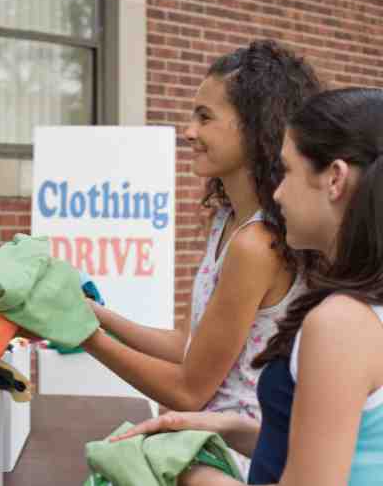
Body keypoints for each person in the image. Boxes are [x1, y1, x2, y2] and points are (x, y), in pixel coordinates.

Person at [110, 87, 383, 486]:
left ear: (335, 179)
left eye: (288, 172)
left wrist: (191, 474)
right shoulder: (358, 309)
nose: (277, 191)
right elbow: (341, 450)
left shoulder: (340, 322)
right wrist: (229, 428)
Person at [78, 40, 321, 471]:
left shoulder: (257, 243)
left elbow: (188, 389)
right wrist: (95, 314)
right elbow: (192, 347)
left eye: (204, 117)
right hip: (203, 441)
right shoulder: (228, 219)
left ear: (255, 127)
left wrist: (80, 334)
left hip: (238, 459)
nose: (188, 131)